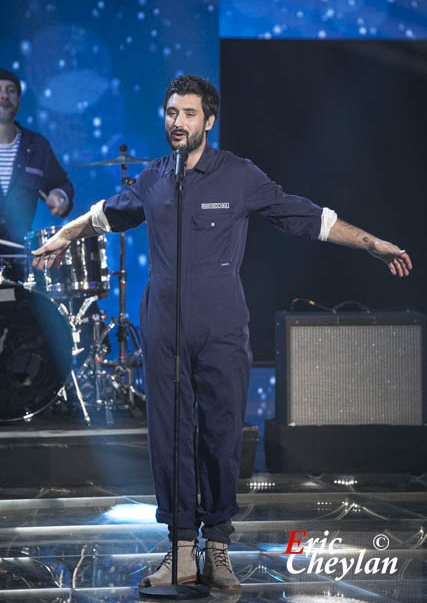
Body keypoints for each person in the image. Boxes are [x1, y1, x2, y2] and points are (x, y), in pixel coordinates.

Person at [31, 75, 412, 591]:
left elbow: (304, 216)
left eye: (188, 114)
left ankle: (219, 550)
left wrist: (371, 242)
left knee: (220, 435)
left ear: (209, 120)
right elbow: (105, 214)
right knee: (168, 438)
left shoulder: (238, 176)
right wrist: (62, 234)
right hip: (163, 328)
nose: (177, 122)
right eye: (171, 112)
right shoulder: (154, 178)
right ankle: (180, 550)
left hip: (222, 329)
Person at [0, 68, 74, 279]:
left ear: (19, 100)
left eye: (11, 90)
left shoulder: (37, 146)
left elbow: (62, 184)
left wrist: (60, 195)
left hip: (20, 259)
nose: (4, 96)